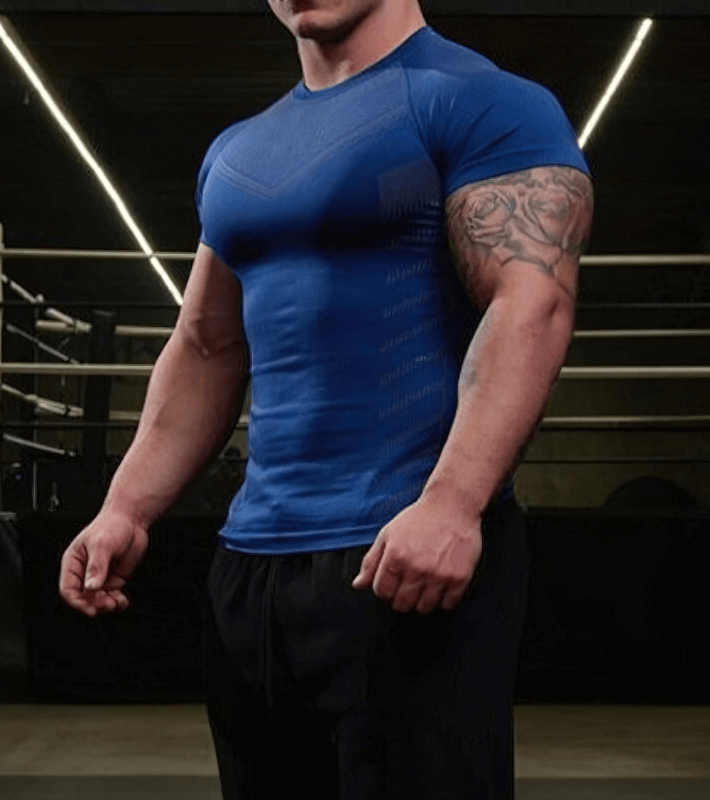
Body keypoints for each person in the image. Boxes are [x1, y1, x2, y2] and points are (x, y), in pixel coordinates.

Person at [59, 1, 594, 797]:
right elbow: (208, 343)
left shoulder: (482, 101)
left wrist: (452, 505)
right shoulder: (237, 151)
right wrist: (126, 508)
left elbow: (531, 306)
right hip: (250, 577)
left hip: (404, 558)